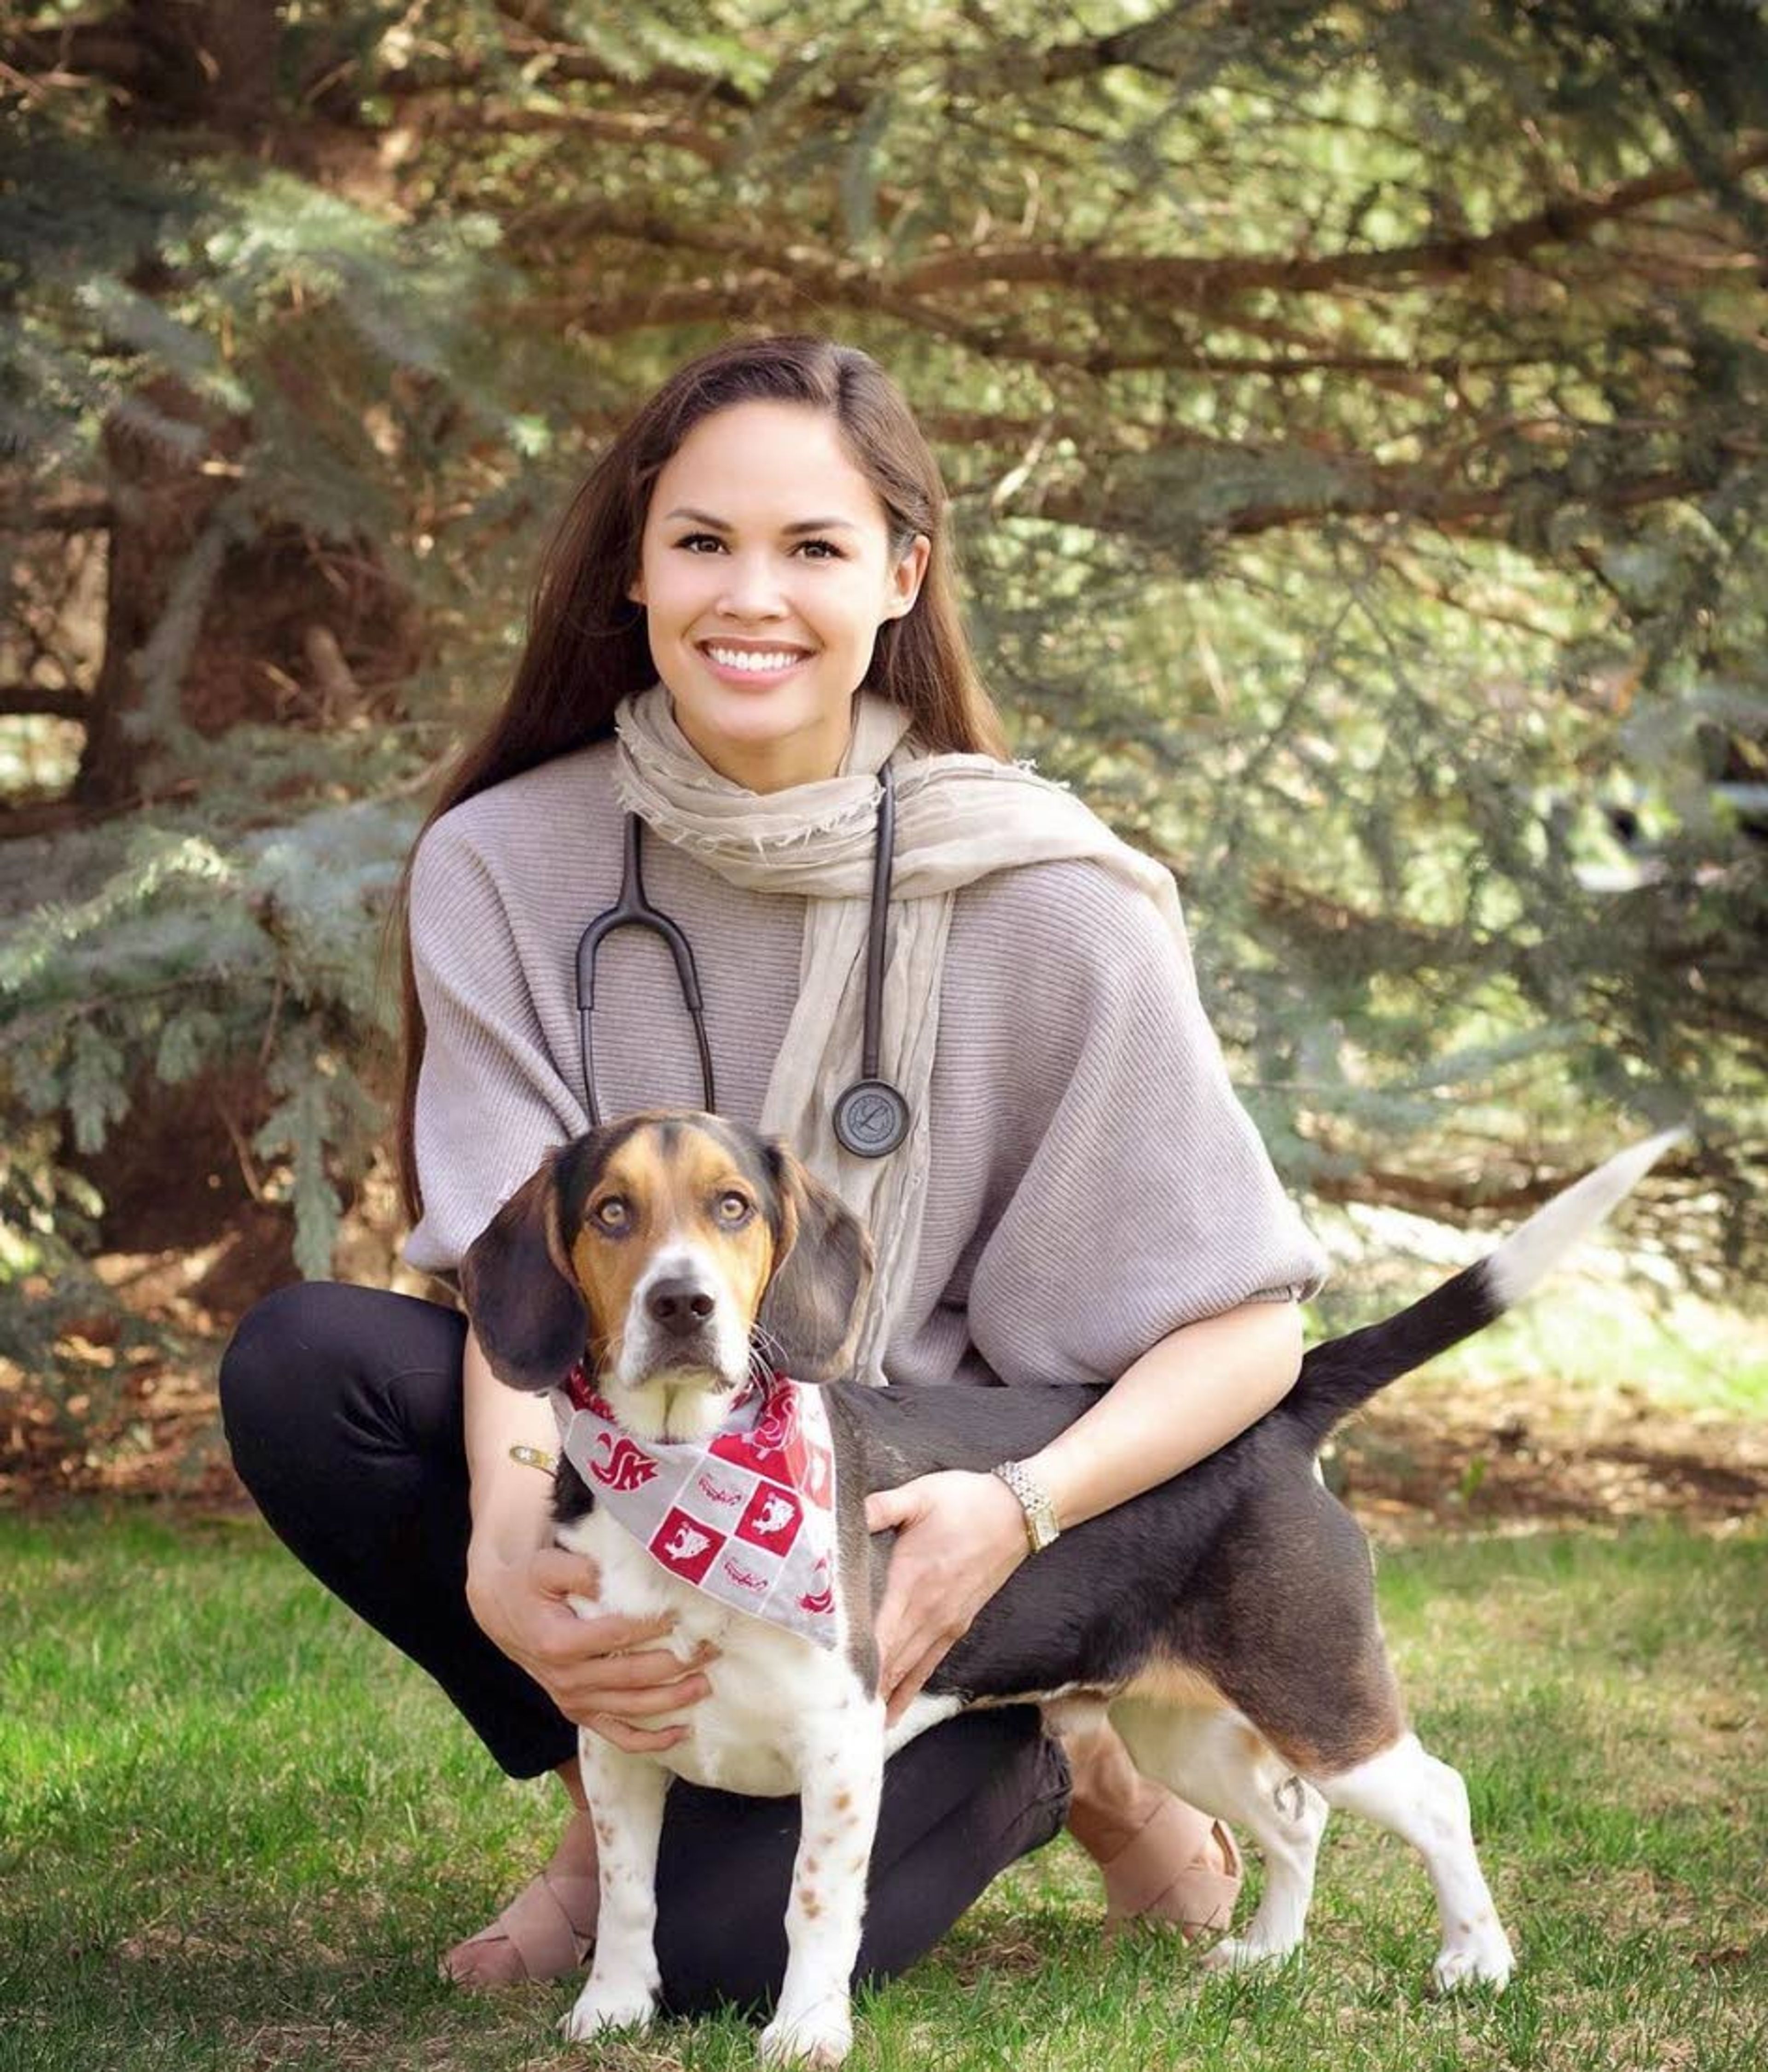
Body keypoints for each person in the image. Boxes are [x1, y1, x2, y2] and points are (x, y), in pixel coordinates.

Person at [219, 333, 1328, 2010]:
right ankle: (621, 1803)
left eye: (813, 547)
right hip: (641, 1473)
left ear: (901, 573)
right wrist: (516, 1547)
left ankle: (1071, 1753)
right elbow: (506, 1289)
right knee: (311, 1369)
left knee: (740, 1968)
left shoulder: (1049, 898)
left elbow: (1252, 1336)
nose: (754, 596)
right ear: (638, 565)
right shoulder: (507, 863)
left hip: (935, 1526)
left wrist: (1013, 1518)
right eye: (703, 541)